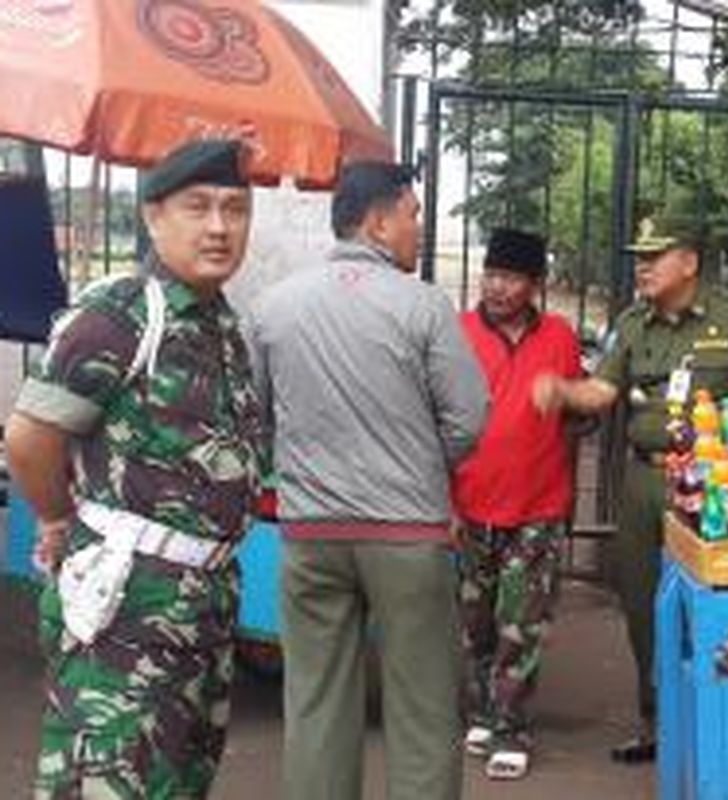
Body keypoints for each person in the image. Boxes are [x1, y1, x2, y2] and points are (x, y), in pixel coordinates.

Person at [4, 138, 266, 798]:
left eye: (235, 209)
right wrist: (59, 516)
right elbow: (30, 439)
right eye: (198, 207)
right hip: (125, 615)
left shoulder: (221, 325)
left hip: (201, 611)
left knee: (175, 782)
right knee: (107, 780)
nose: (218, 226)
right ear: (154, 215)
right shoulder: (120, 313)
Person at [249, 160, 489, 800]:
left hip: (310, 536)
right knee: (424, 706)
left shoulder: (273, 309)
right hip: (408, 537)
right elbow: (469, 417)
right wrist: (416, 461)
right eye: (413, 214)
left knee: (317, 701)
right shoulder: (425, 307)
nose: (418, 228)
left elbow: (255, 419)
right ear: (378, 222)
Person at [532, 216, 728, 763]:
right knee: (643, 604)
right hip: (644, 481)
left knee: (711, 603)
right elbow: (604, 390)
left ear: (690, 262)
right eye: (639, 256)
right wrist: (563, 391)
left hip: (713, 489)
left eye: (656, 255)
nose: (642, 267)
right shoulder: (632, 323)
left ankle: (715, 722)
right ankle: (656, 723)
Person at [451, 228, 582, 780]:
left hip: (538, 504)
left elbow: (579, 413)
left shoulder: (559, 336)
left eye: (511, 278)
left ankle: (512, 726)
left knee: (521, 623)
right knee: (474, 621)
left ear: (535, 284)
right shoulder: (456, 333)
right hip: (469, 503)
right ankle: (484, 709)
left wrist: (571, 396)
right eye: (492, 275)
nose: (498, 287)